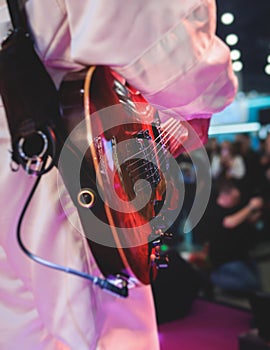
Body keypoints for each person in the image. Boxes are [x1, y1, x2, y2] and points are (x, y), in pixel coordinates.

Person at [0, 0, 238, 349]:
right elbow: (156, 37)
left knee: (20, 322)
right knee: (95, 325)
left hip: (27, 134)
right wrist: (204, 97)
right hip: (65, 150)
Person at [206, 179, 263, 294]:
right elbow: (230, 222)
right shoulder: (213, 210)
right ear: (224, 196)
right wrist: (251, 207)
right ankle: (212, 279)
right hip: (225, 259)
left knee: (258, 282)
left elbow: (247, 219)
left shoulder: (236, 206)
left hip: (241, 255)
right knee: (251, 283)